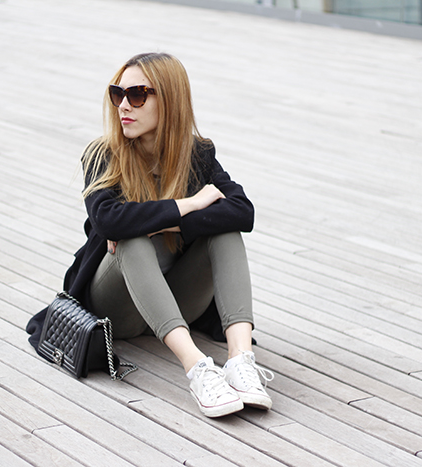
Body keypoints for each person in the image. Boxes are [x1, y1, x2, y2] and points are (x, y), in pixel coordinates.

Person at [30, 52, 272, 418]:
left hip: (177, 300)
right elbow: (109, 222)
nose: (124, 105)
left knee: (225, 233)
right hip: (118, 309)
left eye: (138, 94)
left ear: (169, 100)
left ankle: (240, 361)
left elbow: (242, 211)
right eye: (118, 94)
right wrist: (188, 205)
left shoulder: (197, 154)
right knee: (130, 240)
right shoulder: (102, 154)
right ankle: (198, 368)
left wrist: (160, 222)